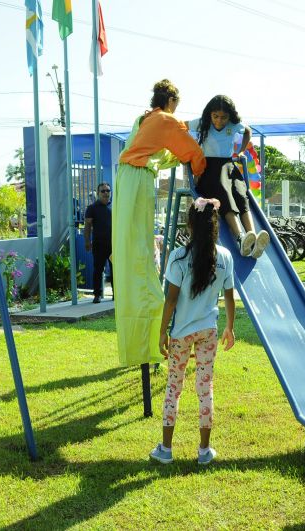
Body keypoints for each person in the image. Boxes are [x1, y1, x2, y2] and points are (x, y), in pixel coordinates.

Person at [113, 79, 207, 367]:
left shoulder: (144, 120)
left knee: (131, 253)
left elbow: (168, 149)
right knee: (140, 256)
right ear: (171, 102)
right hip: (138, 180)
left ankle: (142, 339)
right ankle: (150, 334)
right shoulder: (165, 120)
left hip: (126, 181)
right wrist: (203, 181)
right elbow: (193, 153)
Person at [150, 198, 235, 465]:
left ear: (190, 224)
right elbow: (230, 297)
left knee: (173, 388)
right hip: (208, 331)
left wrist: (162, 332)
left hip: (181, 333)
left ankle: (165, 449)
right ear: (215, 225)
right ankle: (204, 451)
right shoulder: (225, 257)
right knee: (204, 388)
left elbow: (171, 300)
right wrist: (230, 328)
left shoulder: (178, 257)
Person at [188, 95, 270, 259]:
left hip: (228, 166)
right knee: (225, 194)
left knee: (241, 194)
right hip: (208, 170)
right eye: (215, 116)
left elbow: (248, 131)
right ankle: (240, 238)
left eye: (223, 117)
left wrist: (240, 151)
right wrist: (191, 152)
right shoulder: (201, 123)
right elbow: (180, 127)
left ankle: (252, 237)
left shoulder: (233, 125)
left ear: (229, 116)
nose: (219, 121)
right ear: (210, 114)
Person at [84, 182, 113, 303]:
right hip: (98, 244)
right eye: (103, 191)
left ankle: (116, 294)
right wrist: (87, 241)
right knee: (98, 270)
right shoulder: (92, 208)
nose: (106, 193)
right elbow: (87, 226)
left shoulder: (114, 206)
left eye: (108, 191)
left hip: (113, 245)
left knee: (115, 270)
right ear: (98, 193)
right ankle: (97, 294)